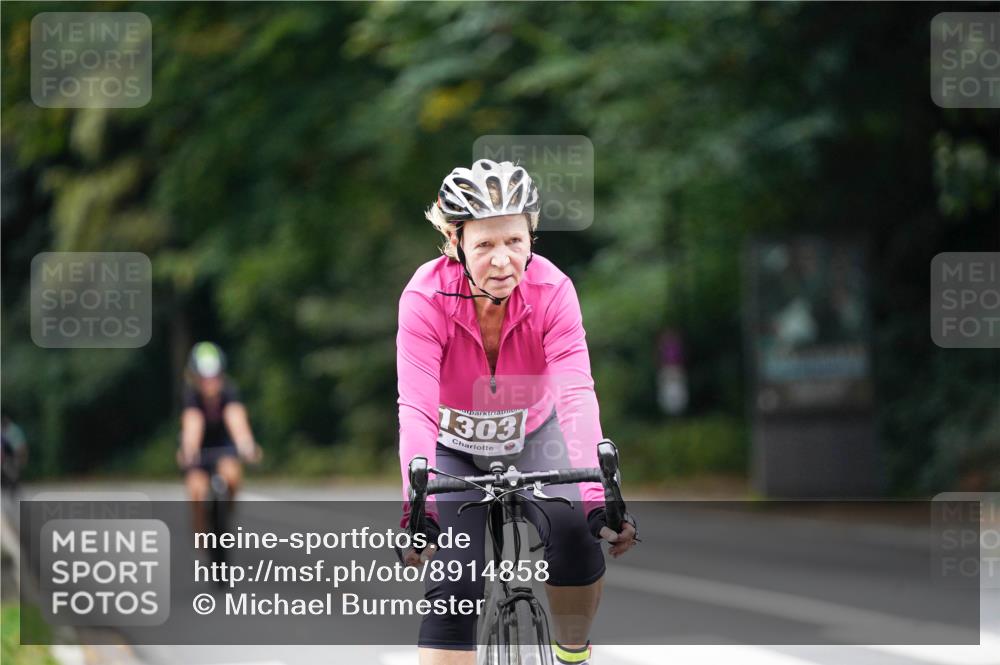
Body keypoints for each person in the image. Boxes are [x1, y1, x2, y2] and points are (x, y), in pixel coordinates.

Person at [397, 159, 636, 665]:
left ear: (531, 238)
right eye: (485, 244)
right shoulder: (425, 296)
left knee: (575, 533)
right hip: (453, 447)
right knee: (454, 583)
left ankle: (571, 652)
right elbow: (416, 409)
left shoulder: (553, 290)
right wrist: (418, 510)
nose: (503, 260)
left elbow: (575, 395)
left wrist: (597, 499)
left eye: (514, 241)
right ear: (456, 241)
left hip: (535, 437)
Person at [178, 342, 261, 534]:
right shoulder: (191, 397)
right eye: (204, 378)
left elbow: (236, 420)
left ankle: (226, 519)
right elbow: (193, 425)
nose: (210, 383)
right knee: (196, 491)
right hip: (200, 449)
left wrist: (247, 445)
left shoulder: (229, 392)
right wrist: (189, 450)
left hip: (223, 445)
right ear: (195, 377)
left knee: (232, 476)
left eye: (214, 377)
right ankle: (200, 534)